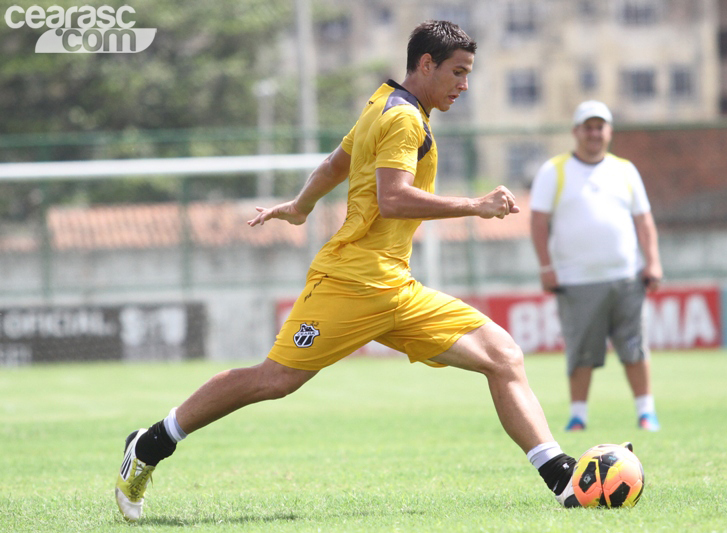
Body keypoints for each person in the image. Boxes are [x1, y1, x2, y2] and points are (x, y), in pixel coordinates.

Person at [115, 20, 588, 521]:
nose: (465, 85)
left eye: (468, 73)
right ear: (426, 64)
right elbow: (393, 198)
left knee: (502, 355)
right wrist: (475, 205)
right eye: (458, 72)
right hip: (351, 282)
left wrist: (301, 205)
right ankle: (151, 443)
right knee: (274, 380)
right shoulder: (402, 118)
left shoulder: (383, 102)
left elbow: (336, 163)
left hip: (396, 286)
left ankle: (560, 477)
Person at [529, 100, 663, 433]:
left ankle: (646, 413)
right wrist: (546, 268)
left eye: (599, 127)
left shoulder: (625, 170)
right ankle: (578, 415)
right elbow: (538, 222)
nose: (594, 133)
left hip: (626, 276)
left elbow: (644, 220)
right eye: (587, 127)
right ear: (576, 131)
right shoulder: (554, 170)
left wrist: (653, 262)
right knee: (581, 351)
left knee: (634, 347)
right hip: (576, 280)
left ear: (609, 131)